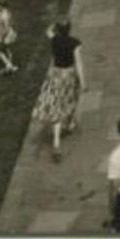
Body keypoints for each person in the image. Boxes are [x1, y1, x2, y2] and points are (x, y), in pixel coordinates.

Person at [33, 20, 85, 162]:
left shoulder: (54, 39)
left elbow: (48, 31)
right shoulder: (75, 43)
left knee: (57, 104)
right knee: (70, 99)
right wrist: (83, 82)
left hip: (55, 75)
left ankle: (61, 135)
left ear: (58, 30)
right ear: (69, 29)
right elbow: (79, 64)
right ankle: (66, 127)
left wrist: (53, 25)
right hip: (68, 76)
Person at [0, 1, 19, 75]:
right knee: (7, 50)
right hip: (9, 32)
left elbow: (6, 26)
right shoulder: (7, 13)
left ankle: (9, 65)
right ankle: (9, 66)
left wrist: (3, 37)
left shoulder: (4, 15)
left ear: (1, 6)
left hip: (5, 34)